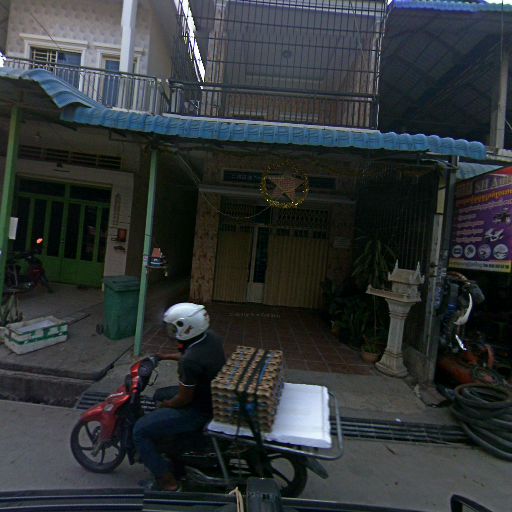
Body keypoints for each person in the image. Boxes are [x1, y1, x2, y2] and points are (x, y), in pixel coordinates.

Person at [133, 302, 226, 491]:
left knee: (140, 431)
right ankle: (173, 448)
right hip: (209, 396)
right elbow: (189, 355)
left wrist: (167, 405)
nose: (171, 331)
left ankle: (168, 482)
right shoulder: (210, 338)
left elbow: (183, 399)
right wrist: (163, 356)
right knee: (158, 394)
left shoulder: (190, 363)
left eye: (174, 327)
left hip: (198, 410)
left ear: (188, 328)